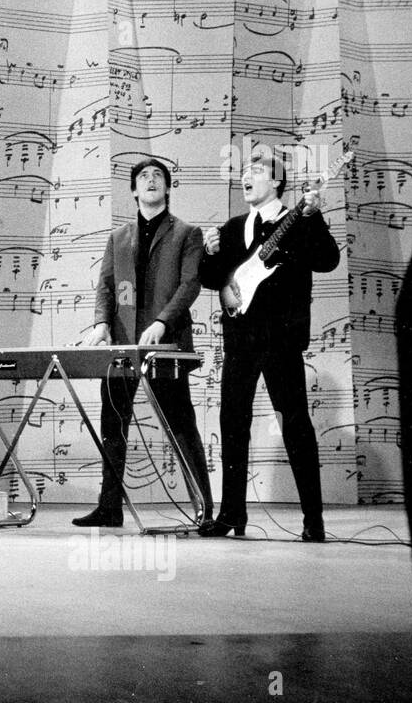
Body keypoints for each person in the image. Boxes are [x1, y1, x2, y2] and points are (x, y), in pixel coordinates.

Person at [197, 149, 340, 541]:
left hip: (280, 340)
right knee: (232, 425)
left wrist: (314, 217)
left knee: (294, 423)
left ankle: (313, 520)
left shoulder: (298, 221)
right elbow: (214, 280)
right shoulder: (232, 227)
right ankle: (231, 516)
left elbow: (328, 260)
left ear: (277, 181)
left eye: (256, 171)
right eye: (244, 170)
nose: (247, 176)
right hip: (240, 342)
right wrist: (209, 253)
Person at [73, 159, 215, 528]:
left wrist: (161, 322)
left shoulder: (187, 233)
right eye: (143, 178)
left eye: (158, 177)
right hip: (121, 344)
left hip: (164, 345)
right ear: (134, 191)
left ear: (167, 189)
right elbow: (105, 285)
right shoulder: (118, 238)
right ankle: (109, 508)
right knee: (112, 424)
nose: (150, 181)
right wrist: (102, 322)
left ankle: (204, 509)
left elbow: (190, 285)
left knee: (181, 424)